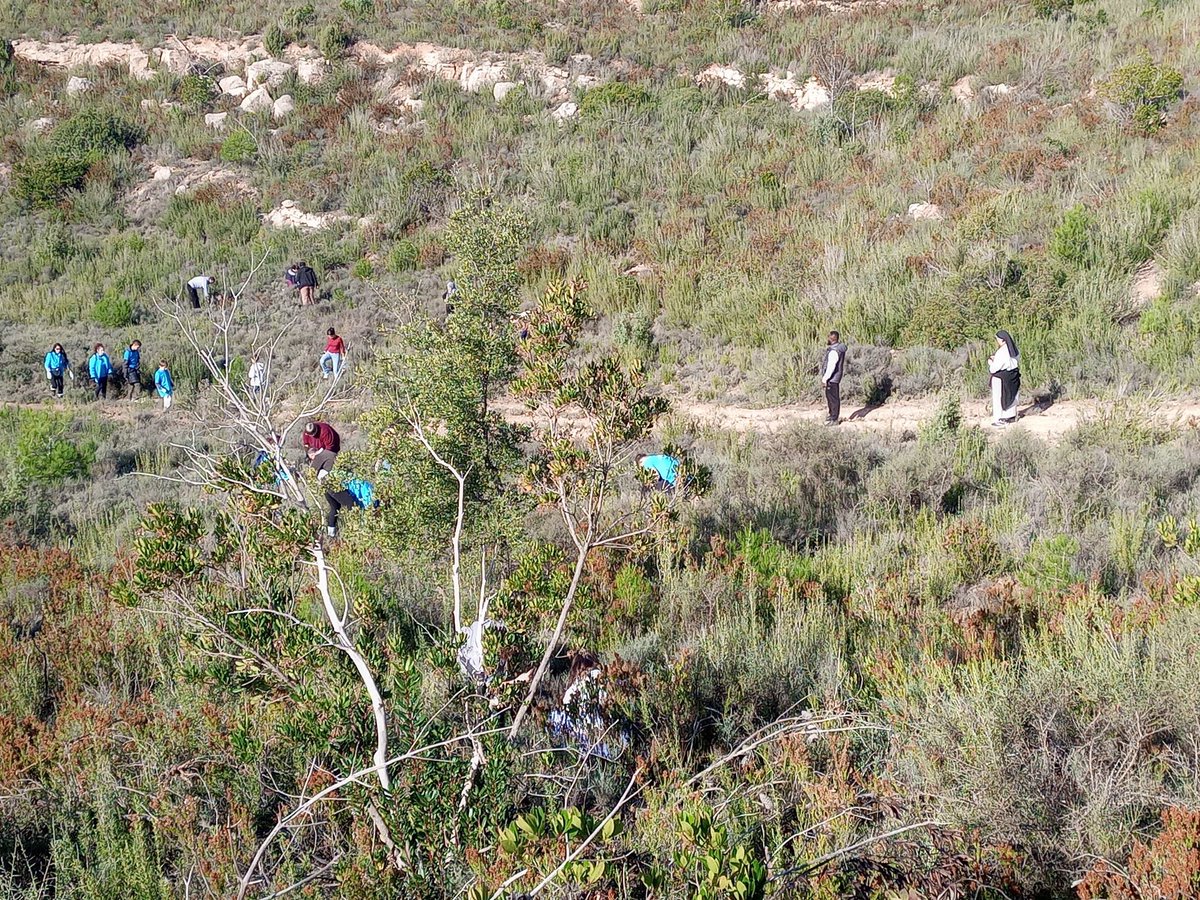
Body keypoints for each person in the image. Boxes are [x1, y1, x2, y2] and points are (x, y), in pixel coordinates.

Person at [989, 330, 1021, 427]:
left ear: (1002, 340)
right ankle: (1010, 416)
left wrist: (990, 362)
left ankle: (999, 419)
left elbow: (994, 368)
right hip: (1013, 375)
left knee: (999, 398)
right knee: (1012, 396)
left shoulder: (1001, 352)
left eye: (997, 339)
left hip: (1001, 378)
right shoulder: (1014, 350)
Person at [821, 330, 847, 426]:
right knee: (831, 397)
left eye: (828, 337)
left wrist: (825, 379)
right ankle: (832, 415)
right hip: (835, 377)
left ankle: (834, 418)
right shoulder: (839, 349)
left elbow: (831, 366)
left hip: (832, 378)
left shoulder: (834, 351)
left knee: (833, 398)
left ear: (831, 338)